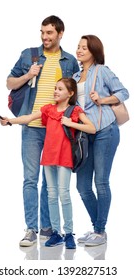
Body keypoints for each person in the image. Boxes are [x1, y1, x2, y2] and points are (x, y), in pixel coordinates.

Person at [6, 15, 79, 247]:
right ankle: (31, 229)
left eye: (49, 33)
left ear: (60, 33)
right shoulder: (30, 55)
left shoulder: (69, 62)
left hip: (55, 130)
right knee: (30, 179)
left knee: (49, 183)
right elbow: (9, 82)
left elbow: (74, 95)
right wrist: (28, 75)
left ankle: (48, 227)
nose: (45, 37)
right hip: (31, 126)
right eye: (42, 32)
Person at [0, 78, 96, 249]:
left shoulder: (74, 110)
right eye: (55, 88)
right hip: (48, 158)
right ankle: (56, 233)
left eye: (60, 89)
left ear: (70, 93)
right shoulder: (48, 109)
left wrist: (71, 123)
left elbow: (92, 128)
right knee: (52, 195)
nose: (56, 91)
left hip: (64, 158)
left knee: (64, 195)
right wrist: (9, 120)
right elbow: (28, 117)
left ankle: (68, 234)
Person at [73, 35, 129, 246]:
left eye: (84, 48)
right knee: (83, 186)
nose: (79, 50)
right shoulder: (76, 75)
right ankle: (98, 228)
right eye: (78, 47)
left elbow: (124, 92)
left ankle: (100, 231)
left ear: (94, 51)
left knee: (101, 182)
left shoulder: (102, 71)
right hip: (85, 134)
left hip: (105, 129)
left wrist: (102, 99)